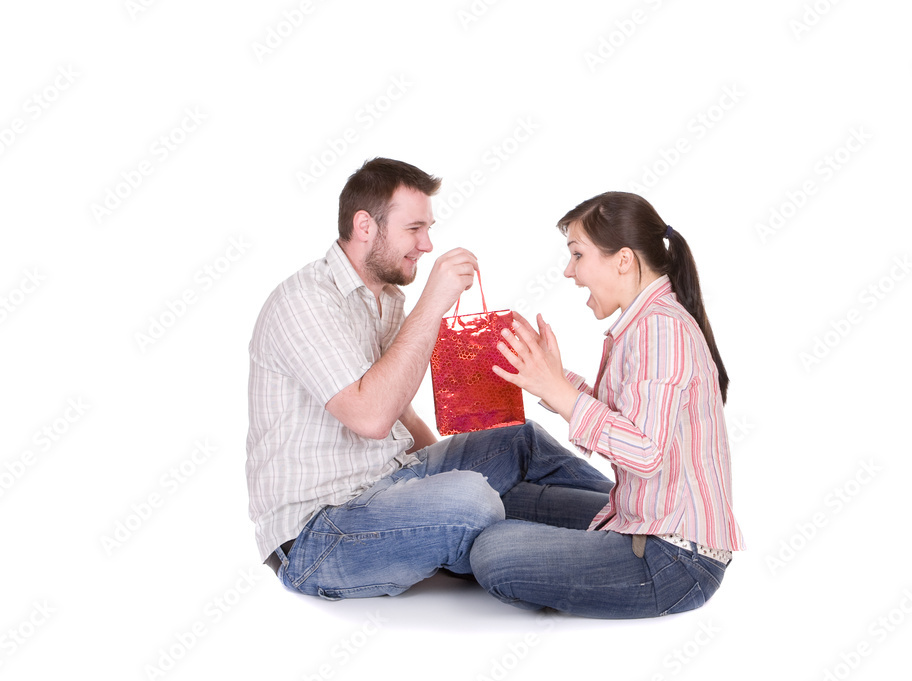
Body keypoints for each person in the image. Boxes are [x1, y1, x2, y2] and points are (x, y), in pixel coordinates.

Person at [246, 158, 612, 600]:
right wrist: (433, 302)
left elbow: (398, 408)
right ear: (365, 226)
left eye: (428, 228)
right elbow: (370, 417)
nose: (426, 244)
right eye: (414, 228)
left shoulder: (383, 300)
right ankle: (560, 537)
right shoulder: (305, 301)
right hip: (319, 534)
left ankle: (636, 517)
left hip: (390, 482)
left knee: (518, 440)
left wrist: (459, 462)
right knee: (472, 500)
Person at [470, 191, 745, 618]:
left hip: (675, 560)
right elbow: (630, 419)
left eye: (577, 255)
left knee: (491, 551)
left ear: (623, 259)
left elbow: (645, 452)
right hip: (643, 515)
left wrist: (561, 393)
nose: (568, 271)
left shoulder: (660, 329)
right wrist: (552, 377)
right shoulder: (646, 322)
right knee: (510, 497)